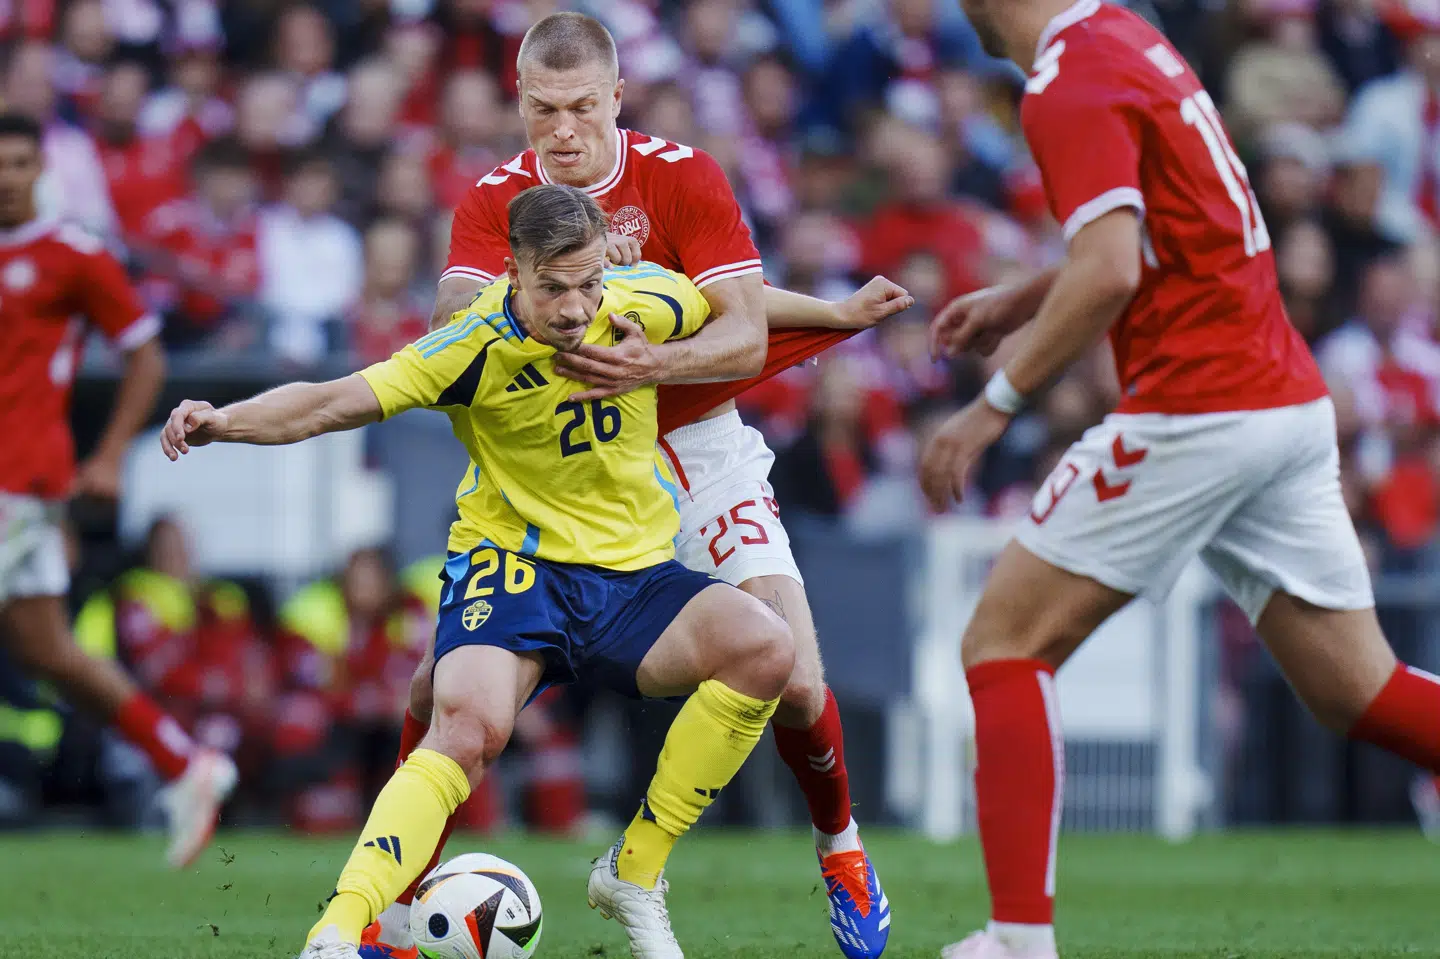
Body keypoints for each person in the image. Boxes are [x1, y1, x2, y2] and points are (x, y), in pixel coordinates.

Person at [382, 16, 912, 959]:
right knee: (438, 689)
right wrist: (541, 301)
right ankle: (395, 902)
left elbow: (740, 330)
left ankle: (839, 846)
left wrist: (656, 356)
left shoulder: (682, 175)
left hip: (696, 446)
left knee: (795, 673)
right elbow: (451, 319)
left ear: (618, 98)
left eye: (583, 107)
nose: (563, 130)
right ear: (519, 101)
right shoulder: (497, 198)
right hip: (562, 464)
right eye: (544, 109)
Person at [919, 3, 1440, 958]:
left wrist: (994, 404)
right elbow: (1164, 223)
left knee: (1004, 641)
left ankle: (1017, 942)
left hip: (1201, 404)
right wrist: (1026, 296)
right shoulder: (1126, 36)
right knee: (1359, 691)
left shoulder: (1065, 79)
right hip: (1282, 401)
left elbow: (1112, 270)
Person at [161, 184, 800, 959]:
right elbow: (332, 400)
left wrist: (845, 313)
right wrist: (225, 421)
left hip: (633, 576)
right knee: (466, 730)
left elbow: (743, 306)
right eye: (553, 287)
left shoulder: (643, 300)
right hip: (516, 570)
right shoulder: (470, 345)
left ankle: (634, 870)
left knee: (767, 648)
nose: (575, 307)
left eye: (589, 282)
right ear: (513, 270)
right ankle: (337, 929)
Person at [0, 111, 236, 867]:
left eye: (19, 163)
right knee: (46, 647)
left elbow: (145, 354)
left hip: (20, 477)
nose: (7, 178)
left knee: (48, 646)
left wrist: (107, 456)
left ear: (41, 171)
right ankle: (184, 762)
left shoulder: (72, 255)